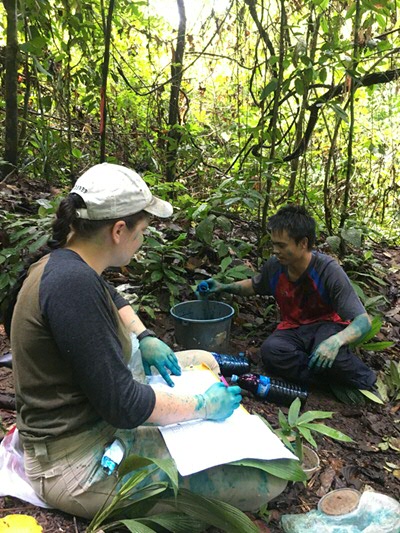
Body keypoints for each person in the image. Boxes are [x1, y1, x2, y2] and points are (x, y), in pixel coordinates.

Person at [10, 163, 286, 519]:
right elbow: (123, 403)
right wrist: (202, 405)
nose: (143, 241)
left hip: (88, 421)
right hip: (74, 461)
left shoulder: (69, 265)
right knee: (262, 481)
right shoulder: (72, 285)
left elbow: (111, 297)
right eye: (142, 231)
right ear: (118, 230)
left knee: (203, 359)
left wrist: (146, 336)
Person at [200, 205, 377, 393]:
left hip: (326, 326)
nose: (275, 251)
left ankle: (367, 383)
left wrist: (336, 342)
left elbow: (363, 321)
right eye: (274, 244)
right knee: (271, 352)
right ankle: (326, 382)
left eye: (282, 245)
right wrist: (223, 287)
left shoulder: (328, 270)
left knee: (333, 357)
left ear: (303, 243)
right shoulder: (275, 266)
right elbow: (254, 285)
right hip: (293, 329)